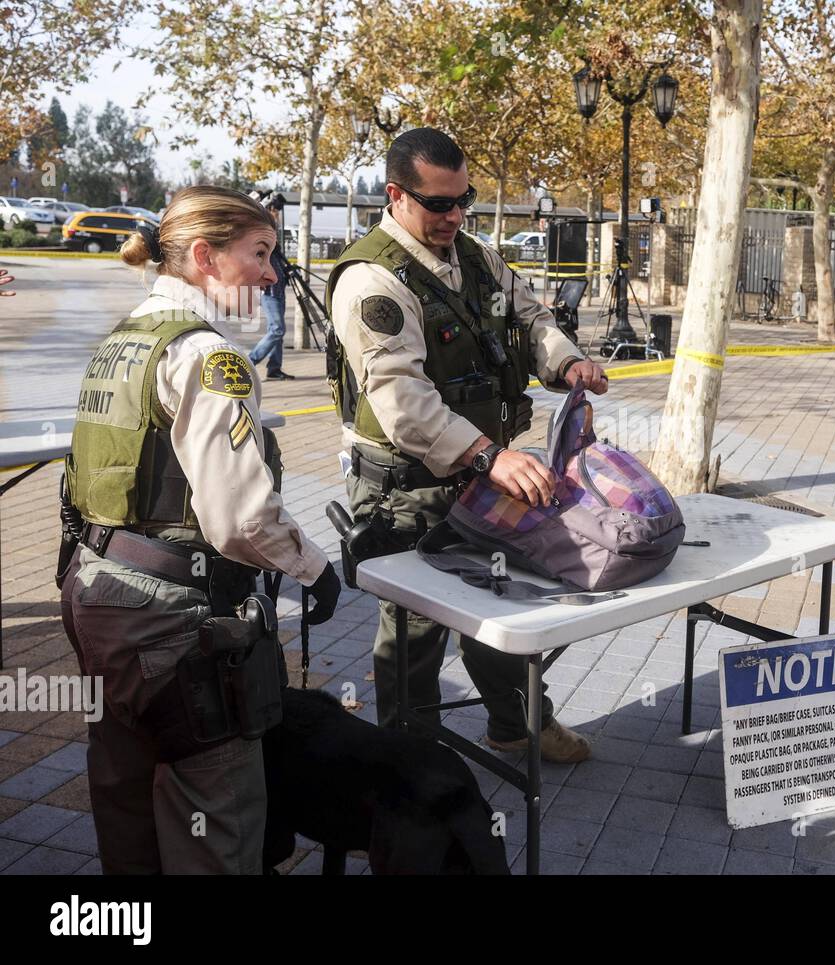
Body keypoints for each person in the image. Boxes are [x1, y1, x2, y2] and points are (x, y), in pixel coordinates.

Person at [59, 185, 342, 874]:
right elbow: (242, 517)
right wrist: (313, 566)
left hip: (98, 601)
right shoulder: (208, 357)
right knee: (214, 817)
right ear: (204, 256)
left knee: (125, 799)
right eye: (261, 253)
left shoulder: (124, 339)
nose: (273, 273)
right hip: (171, 624)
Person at [327, 128, 608, 763]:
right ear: (397, 196)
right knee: (415, 628)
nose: (454, 215)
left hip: (484, 473)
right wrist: (490, 455)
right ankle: (407, 766)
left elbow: (530, 317)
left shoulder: (477, 257)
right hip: (408, 485)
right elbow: (403, 404)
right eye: (439, 204)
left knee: (497, 598)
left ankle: (516, 725)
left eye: (464, 201)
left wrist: (566, 363)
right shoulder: (372, 280)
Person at [248, 194, 293, 380]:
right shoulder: (263, 234)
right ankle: (250, 362)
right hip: (270, 291)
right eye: (273, 210)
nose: (276, 213)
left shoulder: (272, 237)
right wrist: (268, 216)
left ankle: (274, 368)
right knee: (277, 329)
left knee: (277, 331)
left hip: (279, 288)